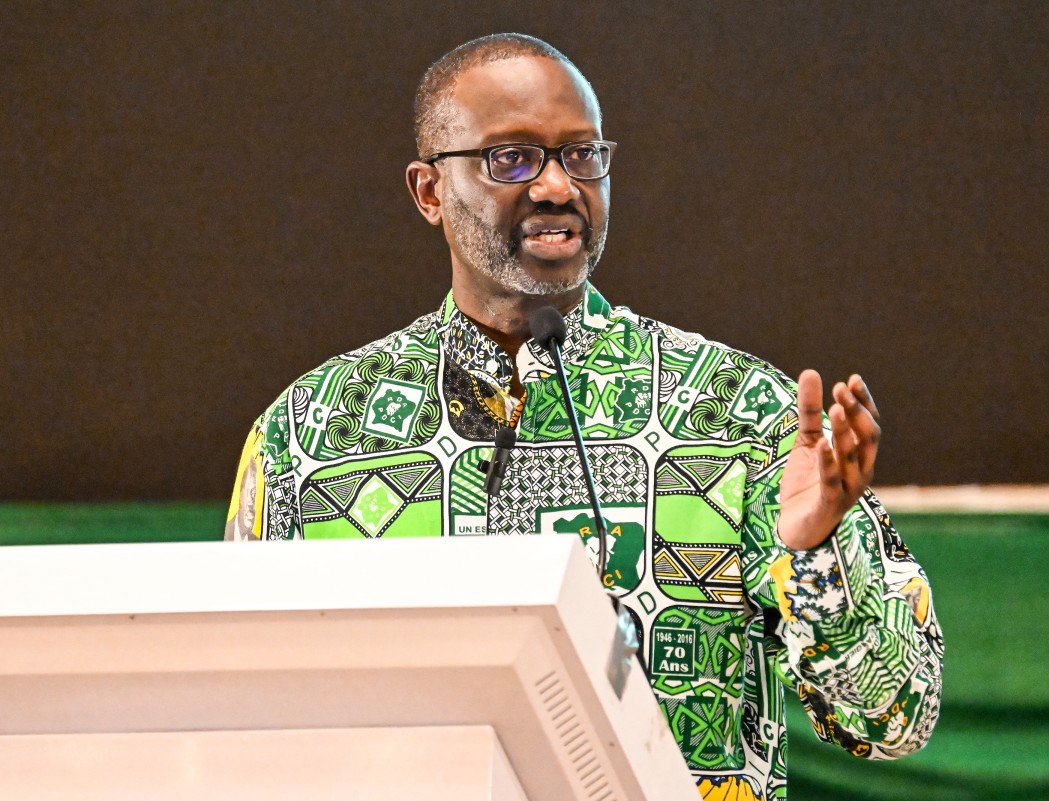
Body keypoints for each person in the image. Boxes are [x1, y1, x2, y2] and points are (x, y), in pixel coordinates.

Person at [227, 33, 943, 801]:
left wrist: (819, 559)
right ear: (428, 190)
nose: (557, 186)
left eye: (581, 155)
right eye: (512, 158)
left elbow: (895, 718)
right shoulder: (309, 433)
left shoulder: (737, 412)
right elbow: (237, 723)